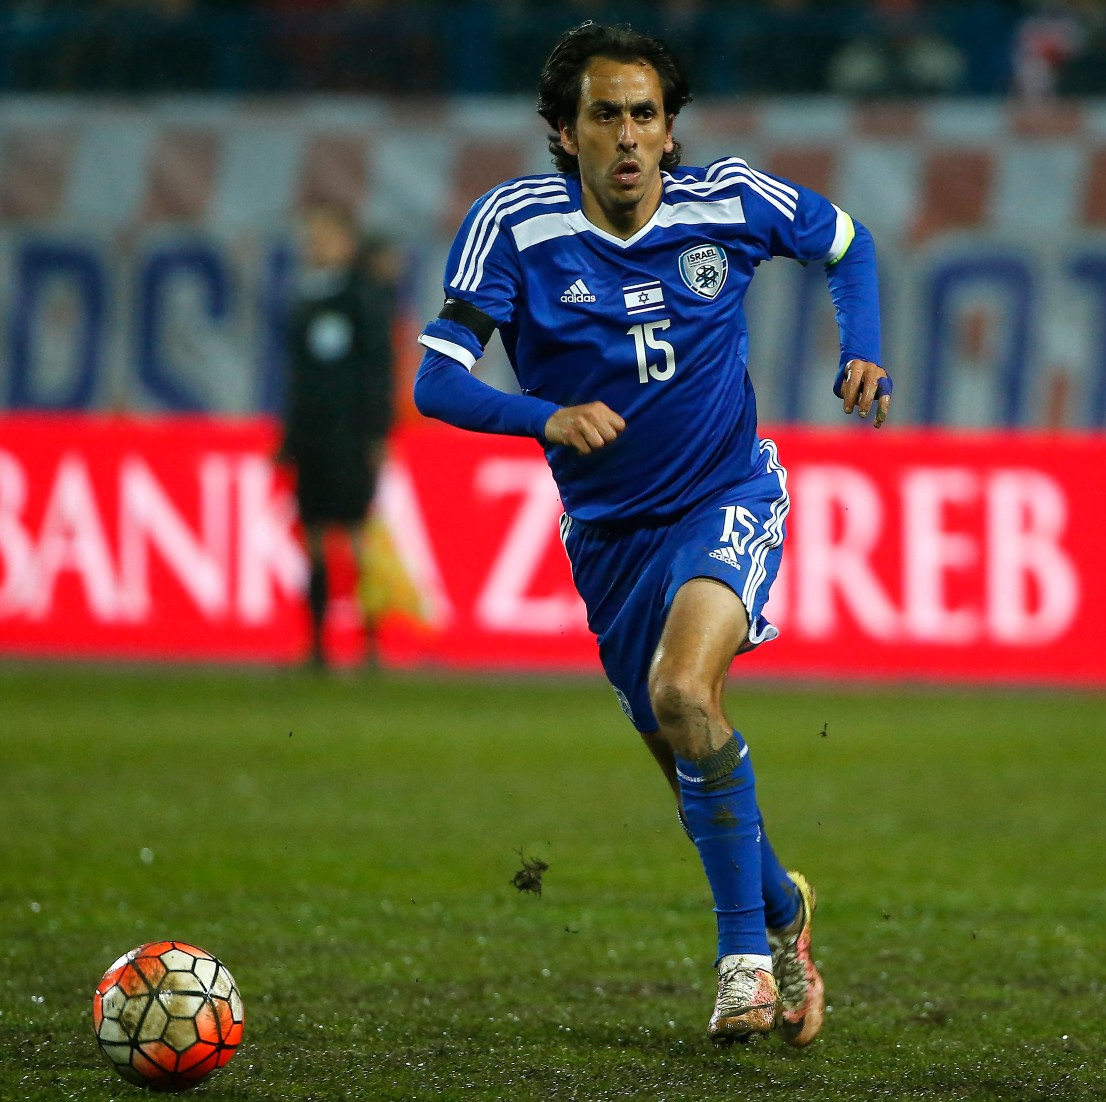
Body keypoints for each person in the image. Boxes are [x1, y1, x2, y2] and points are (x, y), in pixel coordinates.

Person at [414, 21, 892, 1045]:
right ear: (563, 132)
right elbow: (435, 380)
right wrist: (540, 415)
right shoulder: (513, 226)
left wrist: (867, 350)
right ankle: (781, 907)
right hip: (609, 537)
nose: (628, 135)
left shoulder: (731, 201)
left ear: (670, 131)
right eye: (604, 116)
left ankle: (744, 966)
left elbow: (846, 245)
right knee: (678, 739)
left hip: (727, 494)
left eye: (645, 115)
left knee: (686, 690)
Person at [280, 202, 395, 668]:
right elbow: (298, 379)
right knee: (311, 535)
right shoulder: (304, 300)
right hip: (311, 438)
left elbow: (378, 370)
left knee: (354, 536)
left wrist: (376, 433)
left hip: (350, 436)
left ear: (347, 244)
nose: (316, 246)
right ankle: (317, 645)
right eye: (313, 238)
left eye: (325, 237)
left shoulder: (363, 298)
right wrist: (289, 438)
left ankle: (369, 643)